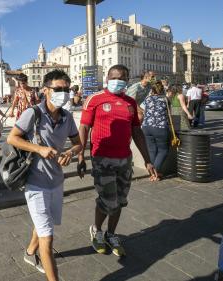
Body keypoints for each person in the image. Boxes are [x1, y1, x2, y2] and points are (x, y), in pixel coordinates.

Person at [7, 70, 82, 281]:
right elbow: (12, 138)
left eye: (67, 89)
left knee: (44, 223)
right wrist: (38, 149)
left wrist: (69, 153)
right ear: (46, 90)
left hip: (57, 182)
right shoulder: (33, 113)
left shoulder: (67, 117)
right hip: (35, 183)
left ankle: (29, 253)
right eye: (58, 89)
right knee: (47, 240)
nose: (64, 93)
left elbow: (78, 144)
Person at [78, 65, 158, 257]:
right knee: (107, 200)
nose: (117, 80)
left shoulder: (130, 102)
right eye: (114, 77)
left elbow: (137, 132)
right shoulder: (94, 99)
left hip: (124, 160)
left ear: (128, 79)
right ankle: (96, 230)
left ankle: (111, 234)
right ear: (107, 78)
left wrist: (148, 160)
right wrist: (80, 155)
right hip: (101, 158)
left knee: (120, 201)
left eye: (122, 77)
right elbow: (83, 128)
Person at [140, 81, 170, 180]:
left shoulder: (147, 99)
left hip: (146, 127)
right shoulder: (165, 99)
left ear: (152, 90)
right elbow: (169, 112)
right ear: (162, 89)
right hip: (160, 128)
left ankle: (152, 174)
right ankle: (156, 172)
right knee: (163, 150)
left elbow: (141, 108)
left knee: (151, 150)